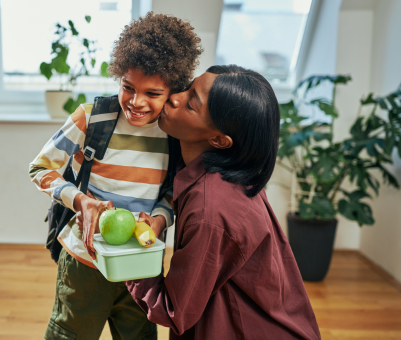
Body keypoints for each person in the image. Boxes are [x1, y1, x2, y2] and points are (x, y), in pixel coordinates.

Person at [29, 13, 203, 340]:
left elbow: (172, 193)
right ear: (119, 76)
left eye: (152, 94)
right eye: (128, 87)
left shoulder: (174, 135)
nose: (136, 102)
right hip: (84, 261)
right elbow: (39, 168)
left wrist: (160, 220)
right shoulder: (92, 117)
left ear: (173, 92)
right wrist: (80, 200)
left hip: (141, 266)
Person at [125, 65, 322, 340]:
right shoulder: (224, 173)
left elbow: (173, 311)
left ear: (218, 139)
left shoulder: (211, 209)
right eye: (188, 87)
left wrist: (129, 253)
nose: (174, 97)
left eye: (191, 103)